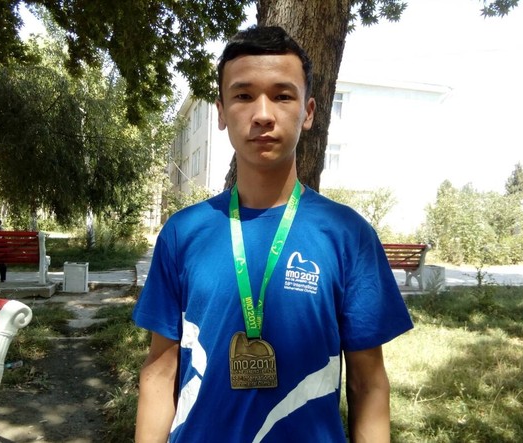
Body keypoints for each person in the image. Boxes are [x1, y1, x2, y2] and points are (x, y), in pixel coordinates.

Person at [133, 25, 413, 443]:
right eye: (243, 96)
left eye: (282, 96)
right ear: (221, 112)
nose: (263, 114)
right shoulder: (183, 233)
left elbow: (368, 384)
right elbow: (159, 373)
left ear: (309, 112)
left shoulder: (348, 235)